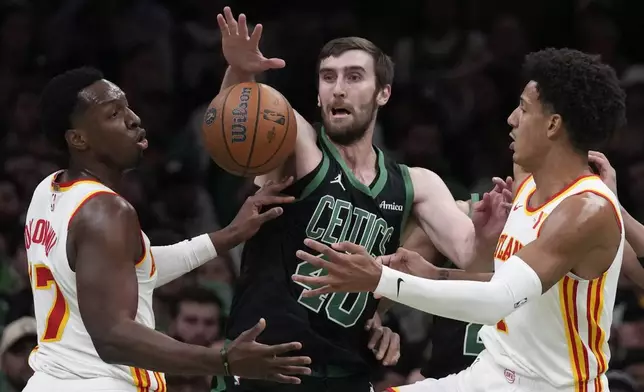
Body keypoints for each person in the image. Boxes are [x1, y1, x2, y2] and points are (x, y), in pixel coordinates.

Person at [292, 48, 628, 392]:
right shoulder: (529, 188)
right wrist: (436, 273)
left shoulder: (587, 209)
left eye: (524, 110)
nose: (511, 119)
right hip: (492, 373)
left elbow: (500, 298)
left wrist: (381, 279)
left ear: (554, 125)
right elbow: (508, 281)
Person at [215, 7, 511, 392]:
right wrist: (239, 75)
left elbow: (472, 260)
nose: (338, 88)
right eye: (328, 78)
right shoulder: (299, 145)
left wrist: (487, 237)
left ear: (383, 93)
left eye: (354, 77)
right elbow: (238, 127)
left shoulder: (415, 184)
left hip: (347, 374)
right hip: (268, 369)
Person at [22, 67, 311, 392]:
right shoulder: (106, 211)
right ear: (78, 138)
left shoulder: (49, 191)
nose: (133, 118)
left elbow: (126, 269)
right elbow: (112, 337)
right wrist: (225, 360)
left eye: (127, 106)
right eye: (113, 113)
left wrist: (228, 235)